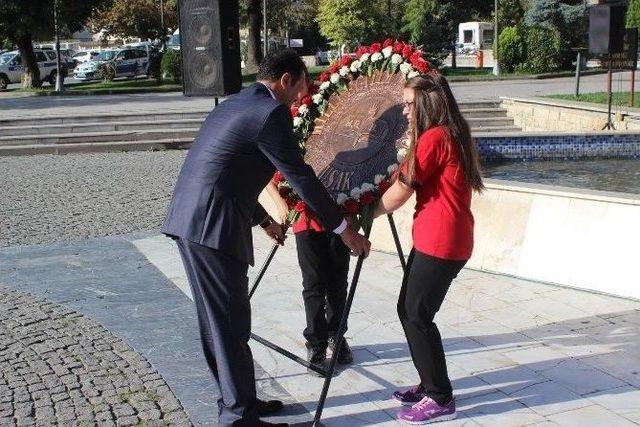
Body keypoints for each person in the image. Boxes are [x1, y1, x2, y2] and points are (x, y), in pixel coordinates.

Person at [162, 50, 371, 427]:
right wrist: (344, 231)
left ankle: (241, 402)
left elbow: (229, 170)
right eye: (300, 87)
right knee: (225, 323)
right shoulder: (270, 112)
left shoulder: (239, 103)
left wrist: (261, 219)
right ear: (286, 79)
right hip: (211, 228)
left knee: (226, 322)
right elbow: (300, 176)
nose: (300, 98)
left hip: (199, 221)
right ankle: (237, 416)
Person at [373, 73, 484, 425]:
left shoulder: (435, 138)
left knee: (418, 316)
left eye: (409, 104)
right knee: (408, 310)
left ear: (427, 103)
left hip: (443, 241)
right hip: (440, 238)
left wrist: (360, 213)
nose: (405, 111)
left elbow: (399, 193)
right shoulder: (450, 132)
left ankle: (440, 396)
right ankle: (428, 382)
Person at [266, 178, 353, 377]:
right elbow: (269, 179)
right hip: (306, 221)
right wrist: (280, 203)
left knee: (338, 282)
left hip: (339, 219)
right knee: (313, 284)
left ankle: (335, 335)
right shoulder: (297, 146)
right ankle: (317, 344)